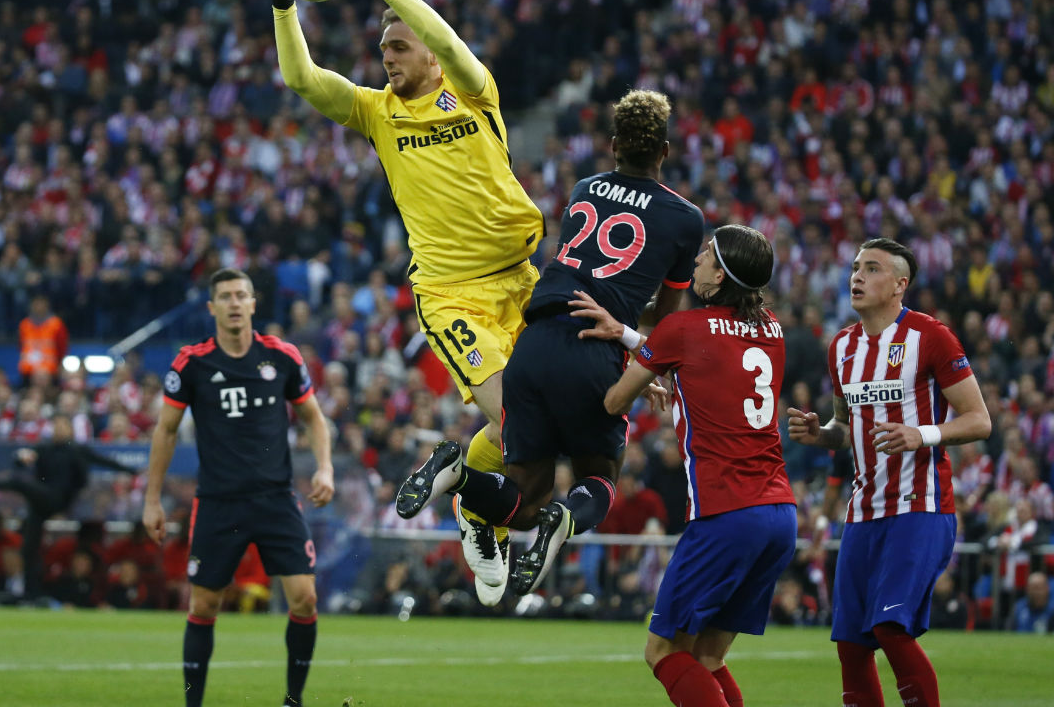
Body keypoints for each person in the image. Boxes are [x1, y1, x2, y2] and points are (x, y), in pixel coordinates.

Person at [268, 0, 545, 604]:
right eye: (382, 47)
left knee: (549, 430)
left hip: (526, 281)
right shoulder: (376, 113)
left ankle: (475, 507)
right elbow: (301, 78)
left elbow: (451, 41)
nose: (387, 57)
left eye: (398, 45)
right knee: (519, 426)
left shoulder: (473, 90)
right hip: (453, 295)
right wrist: (282, 2)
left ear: (428, 52)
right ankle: (475, 510)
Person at [395, 90, 703, 597]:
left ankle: (459, 476)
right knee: (598, 477)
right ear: (665, 151)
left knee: (521, 498)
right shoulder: (685, 218)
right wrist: (636, 350)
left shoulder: (584, 187)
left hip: (533, 344)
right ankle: (564, 518)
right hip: (592, 352)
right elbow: (665, 318)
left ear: (612, 145)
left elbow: (582, 271)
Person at [586, 224, 795, 707]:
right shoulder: (772, 329)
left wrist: (633, 363)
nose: (696, 261)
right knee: (707, 658)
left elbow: (615, 401)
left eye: (705, 255)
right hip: (779, 513)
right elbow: (700, 353)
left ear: (720, 274)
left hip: (725, 513)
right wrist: (632, 338)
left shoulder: (683, 329)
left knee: (661, 651)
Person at [788, 238, 991, 707]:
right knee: (851, 645)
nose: (857, 276)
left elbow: (979, 420)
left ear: (900, 285)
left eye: (872, 268)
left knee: (889, 626)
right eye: (856, 266)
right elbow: (845, 427)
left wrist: (923, 434)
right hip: (862, 512)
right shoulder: (841, 347)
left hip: (919, 506)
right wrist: (822, 434)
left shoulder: (931, 336)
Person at [142, 268, 334, 707]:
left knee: (304, 598)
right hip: (218, 503)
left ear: (253, 304)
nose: (233, 303)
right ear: (211, 307)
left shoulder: (282, 357)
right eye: (224, 296)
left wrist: (325, 468)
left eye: (240, 295)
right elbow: (166, 431)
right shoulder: (191, 362)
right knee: (205, 605)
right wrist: (151, 499)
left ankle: (294, 701)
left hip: (275, 499)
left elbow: (313, 417)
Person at [0, 414, 137, 599]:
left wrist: (133, 470)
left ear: (70, 429)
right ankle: (31, 593)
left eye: (63, 425)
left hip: (58, 499)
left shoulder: (76, 449)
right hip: (41, 501)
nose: (59, 429)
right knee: (29, 547)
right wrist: (21, 458)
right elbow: (20, 461)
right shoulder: (44, 448)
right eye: (56, 425)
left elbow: (106, 462)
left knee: (19, 483)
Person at [18, 293, 68, 385]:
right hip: (28, 370)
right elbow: (21, 346)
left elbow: (62, 347)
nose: (39, 307)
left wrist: (59, 364)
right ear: (31, 306)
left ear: (47, 306)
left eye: (41, 304)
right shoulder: (24, 324)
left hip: (50, 369)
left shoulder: (56, 324)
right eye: (36, 304)